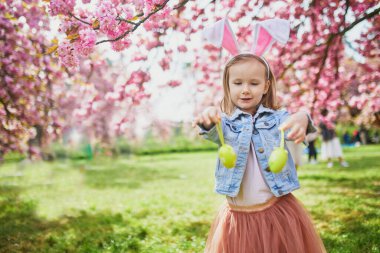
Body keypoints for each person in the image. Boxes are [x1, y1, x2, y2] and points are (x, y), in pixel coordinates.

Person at [193, 18, 326, 253]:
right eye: (238, 83)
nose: (245, 89)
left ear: (265, 86)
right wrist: (207, 117)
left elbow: (296, 119)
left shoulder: (275, 119)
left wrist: (302, 118)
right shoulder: (225, 123)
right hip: (238, 213)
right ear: (228, 86)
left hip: (275, 209)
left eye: (253, 83)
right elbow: (211, 130)